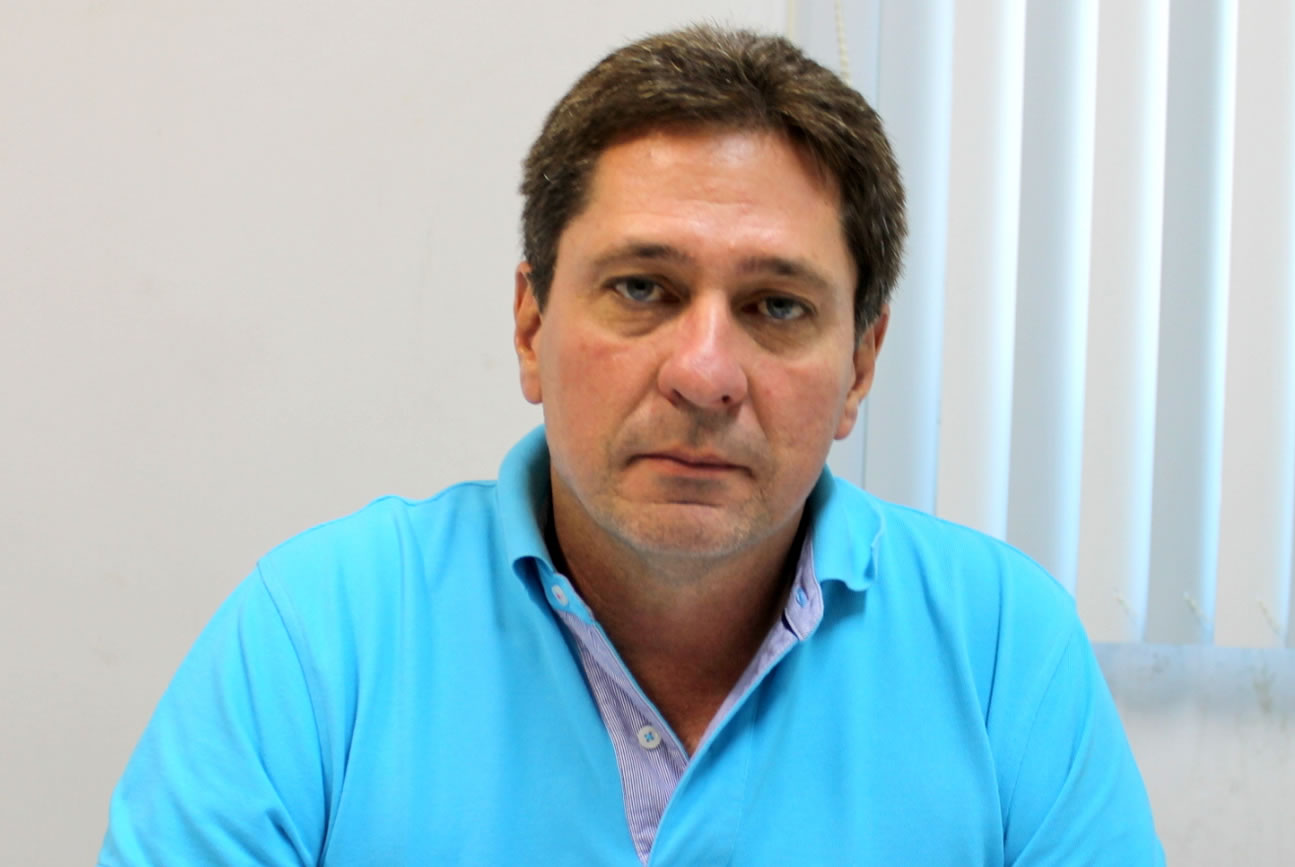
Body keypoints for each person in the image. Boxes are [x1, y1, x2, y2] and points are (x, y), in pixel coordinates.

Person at [99, 25, 1163, 866]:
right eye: (643, 289)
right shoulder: (314, 638)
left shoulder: (1002, 650)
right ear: (531, 327)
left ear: (860, 365)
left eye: (777, 306)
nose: (704, 372)